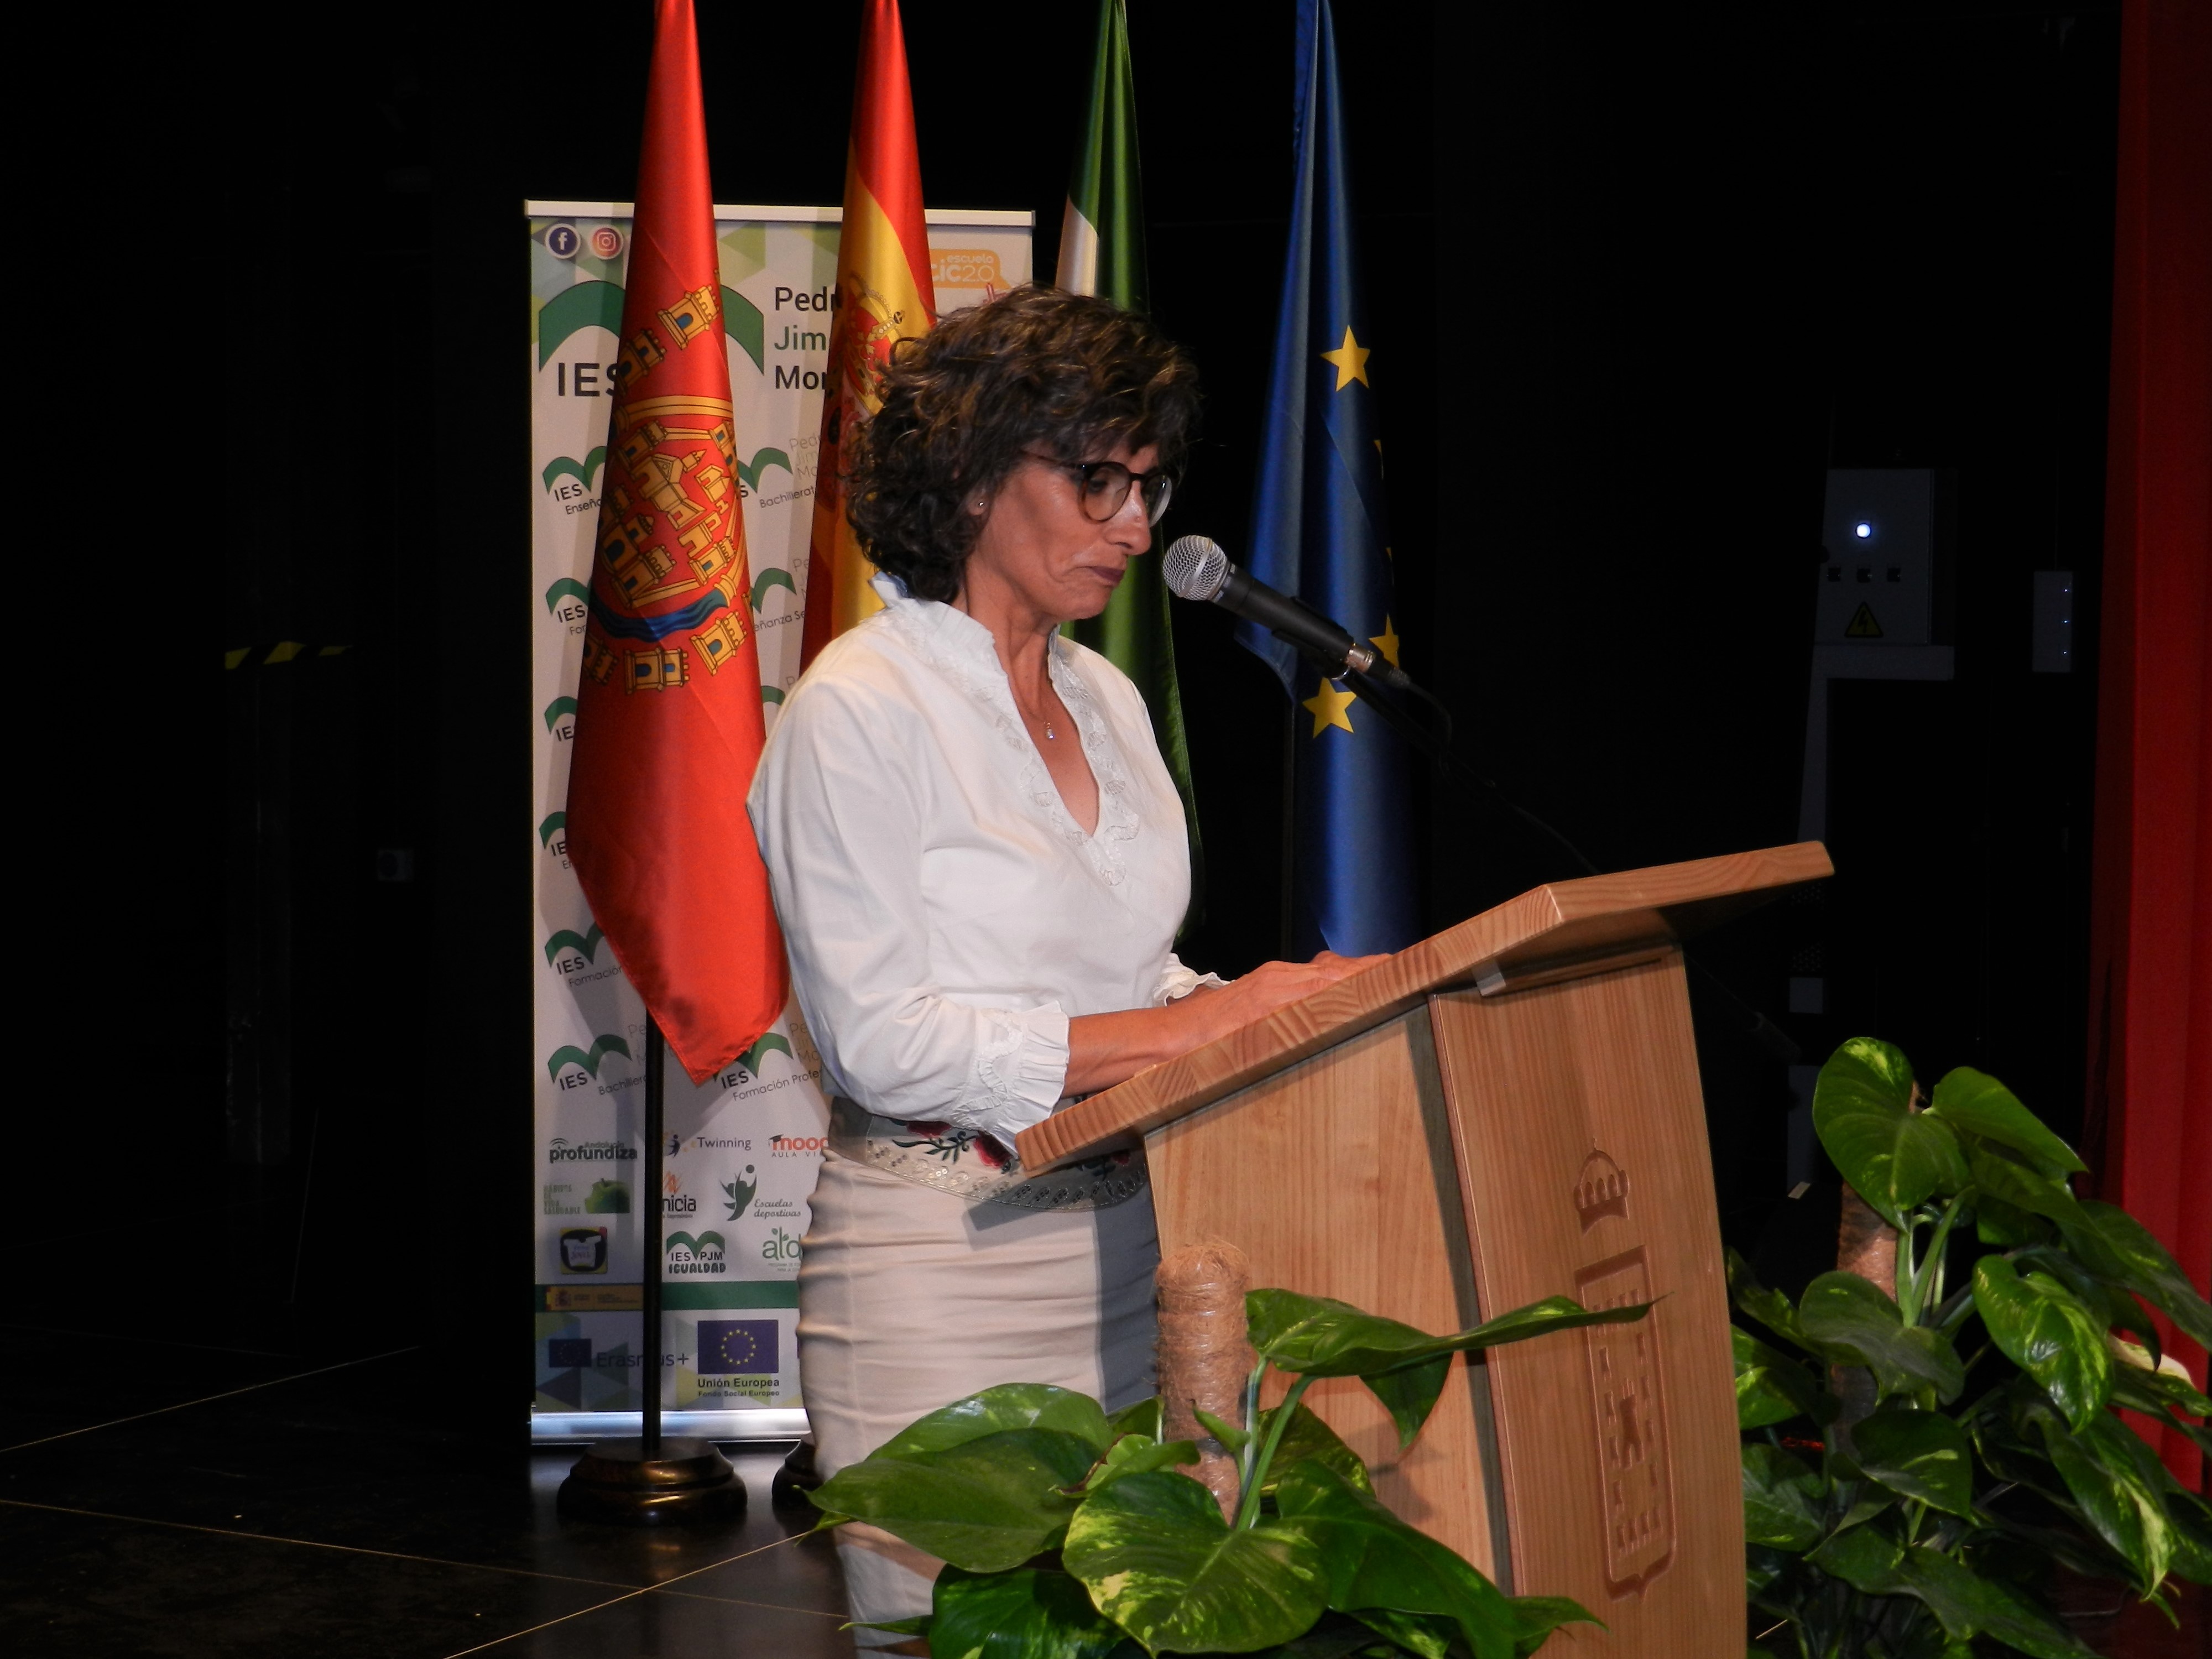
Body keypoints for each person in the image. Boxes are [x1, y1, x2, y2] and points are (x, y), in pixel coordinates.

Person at [745, 285, 1381, 1639]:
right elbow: (883, 1045)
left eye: (1147, 487)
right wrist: (1199, 1027)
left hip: (1142, 1252)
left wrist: (1263, 1007)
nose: (1136, 527)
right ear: (973, 475)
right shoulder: (856, 709)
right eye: (1098, 481)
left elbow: (1131, 975)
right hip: (941, 1274)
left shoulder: (1106, 697)